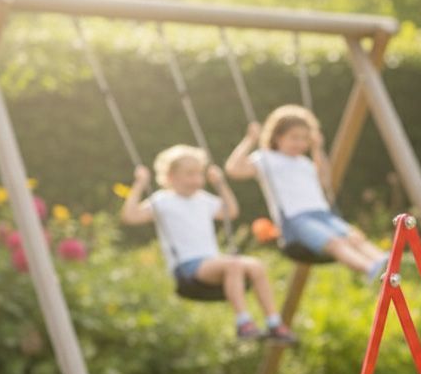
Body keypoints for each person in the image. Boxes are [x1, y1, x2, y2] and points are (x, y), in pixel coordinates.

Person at [120, 144, 297, 344]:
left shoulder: (203, 200)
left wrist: (221, 184)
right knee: (234, 264)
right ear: (170, 177)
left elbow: (231, 211)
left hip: (212, 262)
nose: (196, 180)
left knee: (256, 266)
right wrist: (140, 184)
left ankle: (274, 323)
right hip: (188, 267)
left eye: (199, 174)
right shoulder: (163, 201)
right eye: (189, 174)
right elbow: (130, 216)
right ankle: (244, 323)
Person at [225, 105, 388, 282]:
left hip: (322, 213)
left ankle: (385, 261)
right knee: (335, 243)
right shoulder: (266, 158)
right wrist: (250, 140)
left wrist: (317, 149)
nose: (300, 143)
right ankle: (371, 269)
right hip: (296, 219)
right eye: (294, 138)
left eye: (304, 138)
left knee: (355, 238)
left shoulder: (305, 162)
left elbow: (325, 181)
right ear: (277, 137)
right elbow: (233, 169)